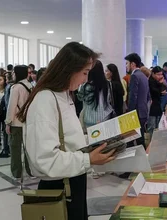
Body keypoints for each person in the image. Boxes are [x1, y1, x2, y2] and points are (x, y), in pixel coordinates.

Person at [17, 42, 115, 220]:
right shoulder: (45, 100)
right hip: (59, 186)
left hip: (73, 180)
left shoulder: (64, 96)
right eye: (85, 73)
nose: (85, 79)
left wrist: (96, 142)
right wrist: (88, 159)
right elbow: (44, 159)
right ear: (69, 69)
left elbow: (69, 140)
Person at [5, 65, 33, 179]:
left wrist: (8, 122)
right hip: (28, 122)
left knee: (15, 148)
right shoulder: (30, 86)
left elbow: (11, 106)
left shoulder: (15, 87)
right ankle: (31, 170)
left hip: (16, 123)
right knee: (29, 149)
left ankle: (17, 172)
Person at [77, 60, 113, 128]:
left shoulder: (85, 86)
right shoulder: (107, 84)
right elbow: (109, 99)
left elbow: (80, 98)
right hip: (105, 117)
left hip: (89, 119)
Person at [125, 53, 150, 148]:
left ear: (133, 64)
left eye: (127, 63)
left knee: (132, 141)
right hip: (143, 111)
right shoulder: (144, 76)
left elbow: (132, 96)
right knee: (140, 138)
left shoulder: (134, 76)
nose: (126, 66)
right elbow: (148, 96)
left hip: (136, 113)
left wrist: (130, 113)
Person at [0, 72, 13, 158]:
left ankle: (6, 149)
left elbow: (9, 101)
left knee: (6, 132)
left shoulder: (10, 87)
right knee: (6, 132)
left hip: (8, 113)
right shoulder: (10, 87)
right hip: (7, 111)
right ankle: (6, 149)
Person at [147, 66, 166, 138]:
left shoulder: (157, 81)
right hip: (152, 107)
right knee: (152, 127)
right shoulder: (150, 81)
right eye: (158, 74)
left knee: (157, 126)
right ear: (153, 74)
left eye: (161, 74)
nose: (160, 76)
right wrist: (161, 84)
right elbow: (154, 91)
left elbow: (162, 91)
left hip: (157, 106)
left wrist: (161, 84)